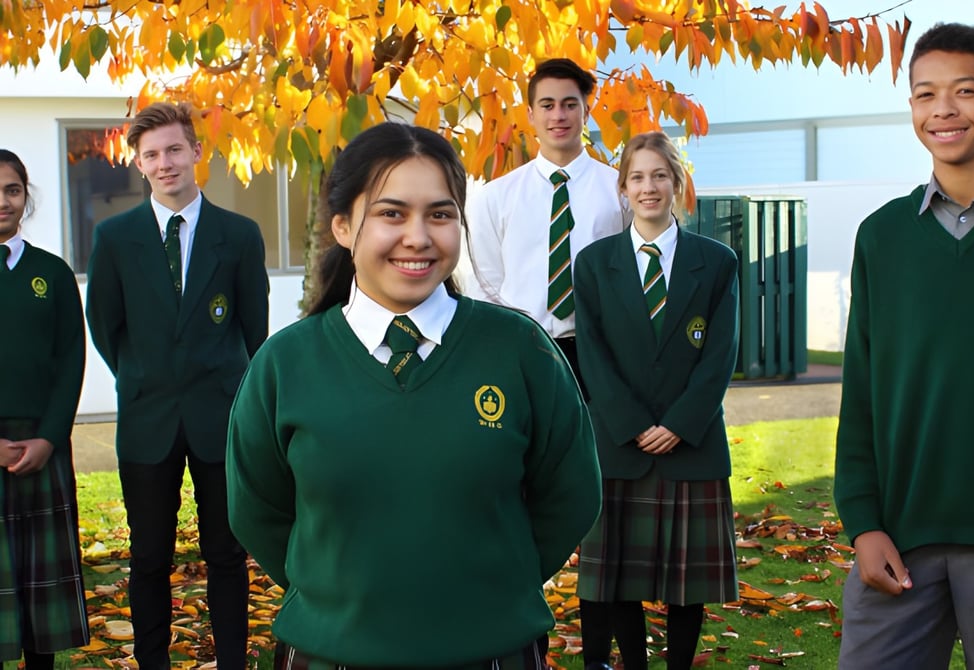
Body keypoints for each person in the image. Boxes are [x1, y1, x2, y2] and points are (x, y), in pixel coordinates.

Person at [226, 122, 602, 669]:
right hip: (332, 654)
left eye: (441, 214)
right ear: (343, 226)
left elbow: (570, 495)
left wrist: (492, 587)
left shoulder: (521, 350)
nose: (419, 237)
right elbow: (257, 509)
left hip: (491, 652)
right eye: (391, 213)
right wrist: (338, 590)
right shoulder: (284, 365)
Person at [835, 22, 974, 670]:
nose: (943, 111)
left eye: (964, 91)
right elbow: (863, 396)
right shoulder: (881, 238)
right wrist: (863, 522)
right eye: (925, 95)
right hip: (899, 543)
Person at [85, 102, 269, 669]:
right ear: (138, 165)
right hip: (148, 418)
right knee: (147, 559)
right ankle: (152, 661)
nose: (164, 163)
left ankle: (233, 661)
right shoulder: (114, 237)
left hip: (220, 417)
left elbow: (253, 330)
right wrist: (142, 377)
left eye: (172, 150)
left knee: (226, 554)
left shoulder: (239, 234)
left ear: (195, 151)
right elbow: (105, 324)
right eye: (150, 155)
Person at [573, 132, 739, 670]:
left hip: (691, 444)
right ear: (623, 189)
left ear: (677, 183)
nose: (649, 188)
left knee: (686, 586)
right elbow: (592, 355)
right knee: (621, 577)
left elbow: (720, 355)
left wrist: (680, 423)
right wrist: (632, 423)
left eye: (659, 176)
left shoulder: (716, 262)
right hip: (621, 445)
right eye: (637, 178)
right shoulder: (595, 264)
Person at [466, 58, 626, 396]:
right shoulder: (496, 197)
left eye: (570, 105)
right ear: (530, 114)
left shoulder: (619, 193)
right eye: (547, 105)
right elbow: (485, 285)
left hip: (602, 353)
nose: (558, 116)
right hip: (523, 350)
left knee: (598, 448)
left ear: (587, 110)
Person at [0, 150, 89, 669]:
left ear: (25, 196)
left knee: (39, 584)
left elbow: (70, 360)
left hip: (41, 446)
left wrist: (50, 437)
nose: (3, 201)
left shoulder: (51, 274)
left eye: (13, 190)